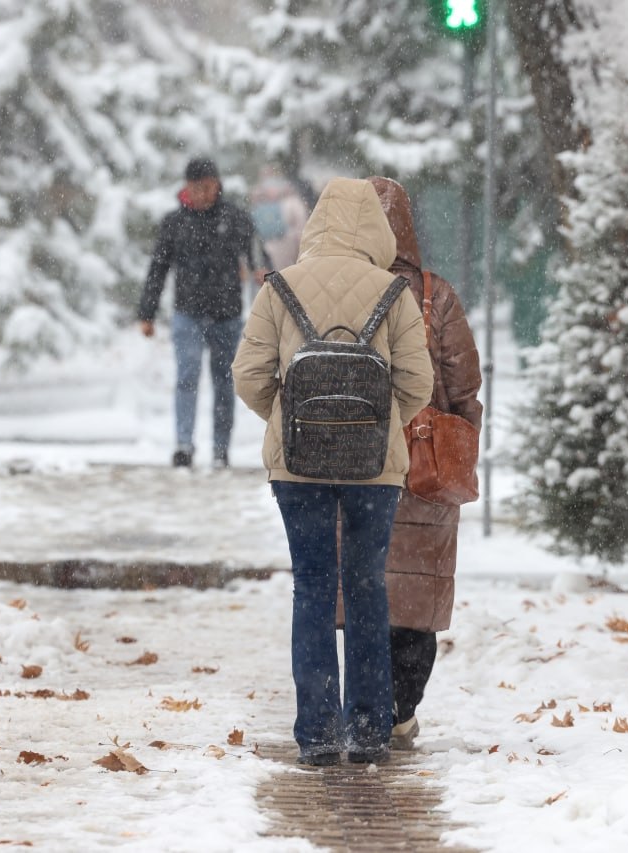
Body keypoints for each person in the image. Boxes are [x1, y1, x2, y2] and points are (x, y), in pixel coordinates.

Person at [232, 177, 434, 766]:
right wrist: (375, 424)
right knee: (368, 588)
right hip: (375, 470)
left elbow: (249, 375)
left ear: (317, 225)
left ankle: (317, 732)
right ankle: (370, 732)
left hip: (297, 467)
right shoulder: (393, 293)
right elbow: (417, 383)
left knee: (313, 587)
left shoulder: (281, 287)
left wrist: (291, 418)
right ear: (375, 230)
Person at [367, 176, 483, 751]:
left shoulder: (344, 292)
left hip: (361, 468)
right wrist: (455, 441)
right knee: (416, 599)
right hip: (426, 471)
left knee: (364, 594)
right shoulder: (436, 296)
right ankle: (401, 708)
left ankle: (364, 703)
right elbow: (466, 392)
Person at [138, 157, 263, 469]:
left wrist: (263, 272)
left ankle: (221, 450)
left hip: (227, 315)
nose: (202, 194)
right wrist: (147, 312)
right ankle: (184, 444)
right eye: (196, 188)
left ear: (217, 185)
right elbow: (158, 269)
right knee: (187, 376)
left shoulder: (235, 218)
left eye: (208, 187)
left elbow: (257, 257)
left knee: (223, 382)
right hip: (187, 314)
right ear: (187, 188)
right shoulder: (174, 223)